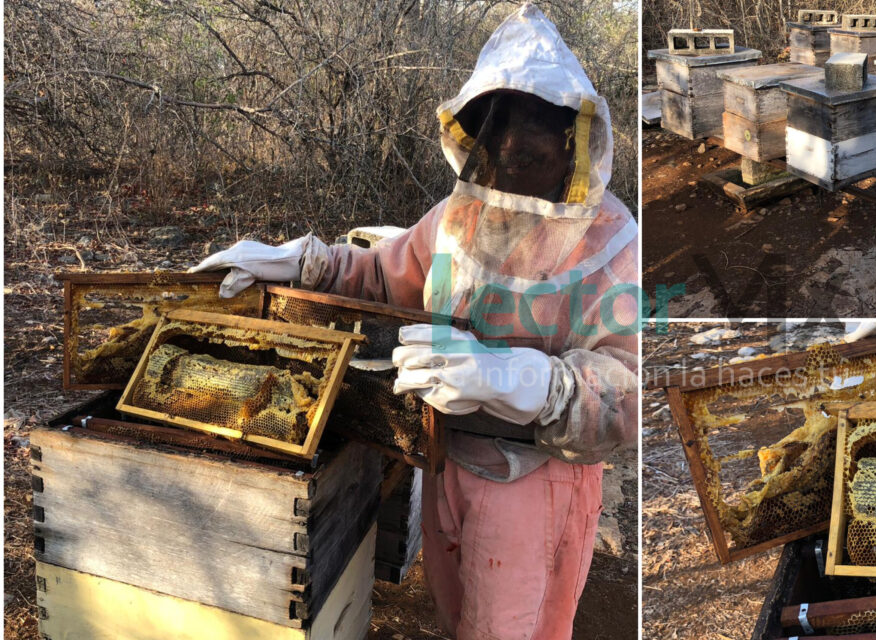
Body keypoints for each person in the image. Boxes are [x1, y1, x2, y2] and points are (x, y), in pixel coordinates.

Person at [191, 4, 639, 638]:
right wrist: (305, 263)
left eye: (533, 155)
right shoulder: (460, 214)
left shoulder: (614, 239)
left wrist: (527, 381)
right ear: (480, 139)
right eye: (502, 152)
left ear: (572, 144)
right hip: (444, 458)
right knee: (460, 620)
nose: (514, 170)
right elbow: (384, 278)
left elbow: (629, 389)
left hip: (537, 482)